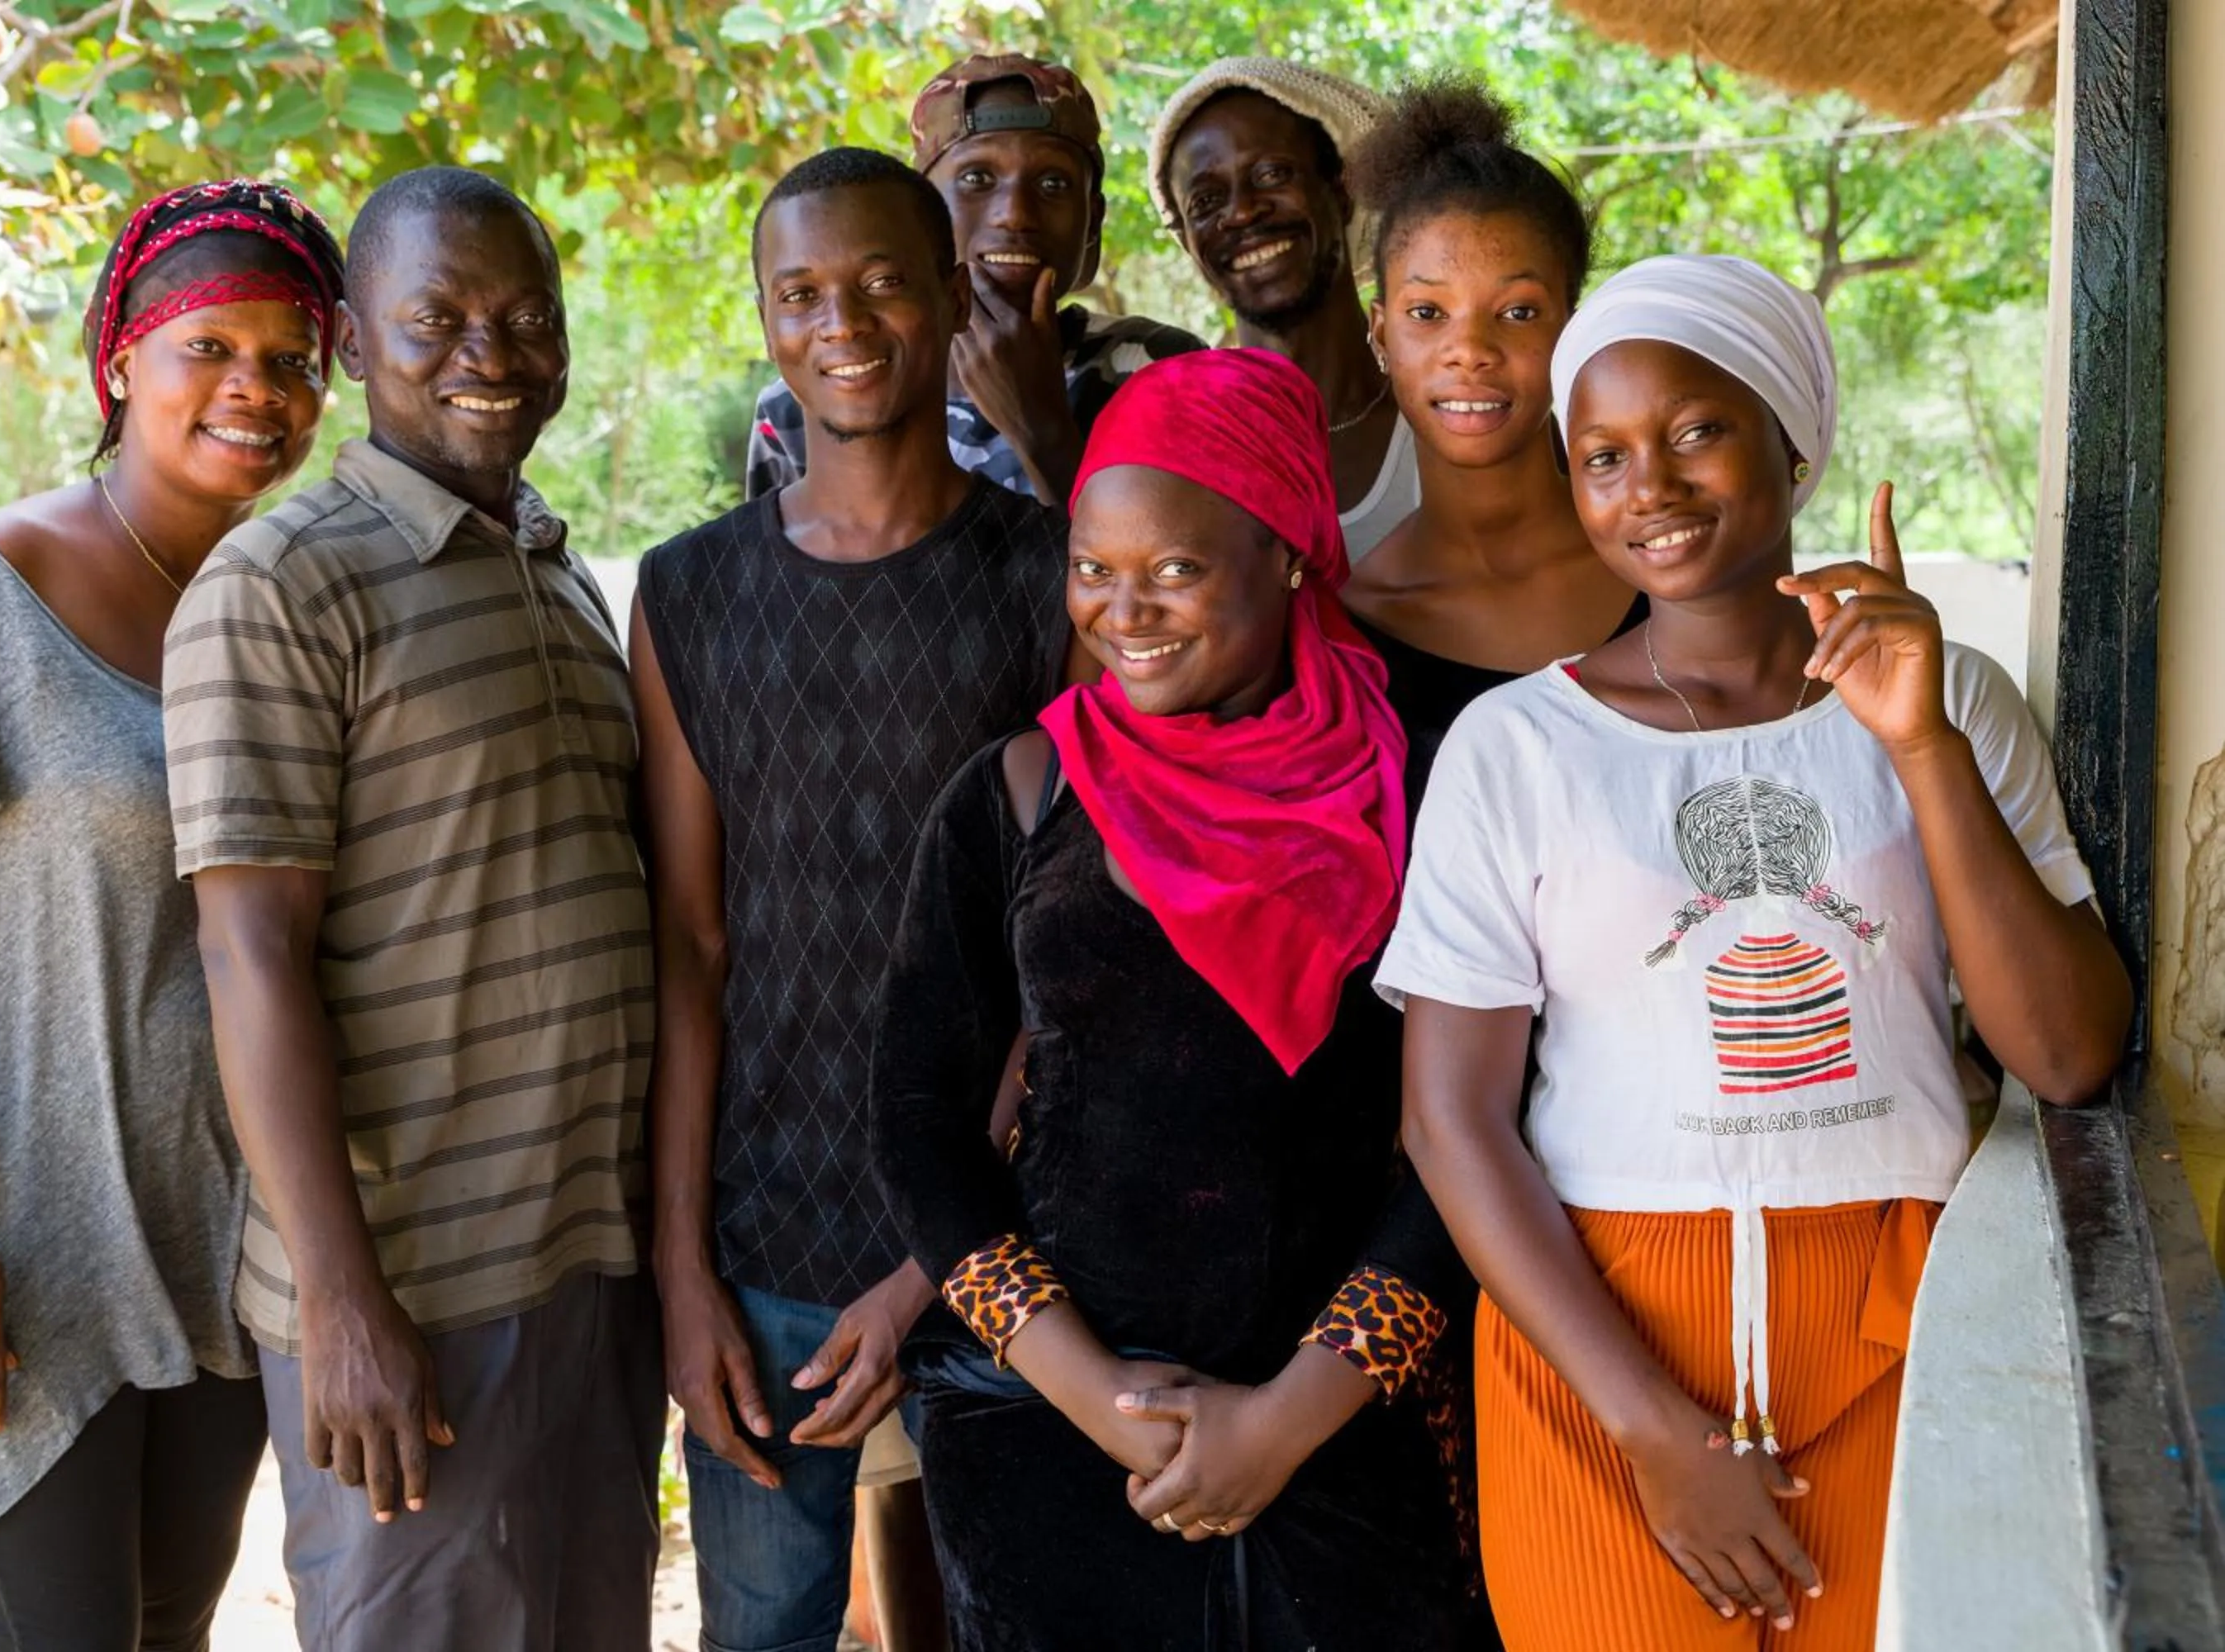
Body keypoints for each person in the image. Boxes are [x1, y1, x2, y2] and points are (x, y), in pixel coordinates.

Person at [1381, 254, 2132, 1652]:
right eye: (1600, 455)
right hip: (1598, 1349)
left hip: (1900, 1327)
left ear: (1790, 437)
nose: (1646, 486)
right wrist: (1656, 1435)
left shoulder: (1946, 694)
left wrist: (1918, 745)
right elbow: (1451, 1117)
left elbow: (2071, 1054)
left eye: (1695, 432)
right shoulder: (1517, 748)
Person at [0, 180, 342, 1650]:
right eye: (208, 347)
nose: (254, 390)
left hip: (212, 1257)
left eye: (292, 361)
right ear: (119, 365)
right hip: (2, 1260)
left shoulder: (281, 606)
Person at [868, 348, 1483, 1650]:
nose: (1123, 609)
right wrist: (1092, 1393)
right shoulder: (1021, 791)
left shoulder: (1431, 796)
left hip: (1345, 1430)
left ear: (1295, 559)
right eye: (1094, 568)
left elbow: (1474, 1138)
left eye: (1176, 570)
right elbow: (919, 1115)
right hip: (1046, 1438)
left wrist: (1293, 1415)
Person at [161, 167, 662, 1651]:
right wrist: (343, 1309)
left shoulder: (557, 569)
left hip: (586, 1261)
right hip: (414, 1294)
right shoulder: (282, 586)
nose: (488, 354)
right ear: (355, 351)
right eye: (435, 319)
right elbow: (247, 953)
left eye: (524, 318)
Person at [639, 145, 1070, 1652]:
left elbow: (1068, 963)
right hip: (765, 1254)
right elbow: (692, 951)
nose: (846, 320)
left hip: (1018, 1257)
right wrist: (683, 1274)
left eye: (887, 280)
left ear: (954, 296)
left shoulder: (1054, 579)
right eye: (802, 292)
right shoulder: (687, 593)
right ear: (764, 316)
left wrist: (930, 1269)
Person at [1345, 74, 1641, 809]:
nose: (1468, 349)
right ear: (1380, 334)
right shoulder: (1349, 627)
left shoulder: (1669, 560)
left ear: (1575, 325)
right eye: (1427, 311)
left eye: (1516, 311)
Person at [745, 55, 1205, 508]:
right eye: (977, 178)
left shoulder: (1156, 371)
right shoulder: (806, 404)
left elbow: (1179, 570)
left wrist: (1040, 427)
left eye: (1053, 185)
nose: (1015, 214)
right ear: (922, 215)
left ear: (1092, 222)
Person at [1148, 57, 1418, 563]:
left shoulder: (1447, 412)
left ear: (1341, 192)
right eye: (1205, 202)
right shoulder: (1174, 441)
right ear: (1188, 242)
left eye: (1272, 174)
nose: (1243, 211)